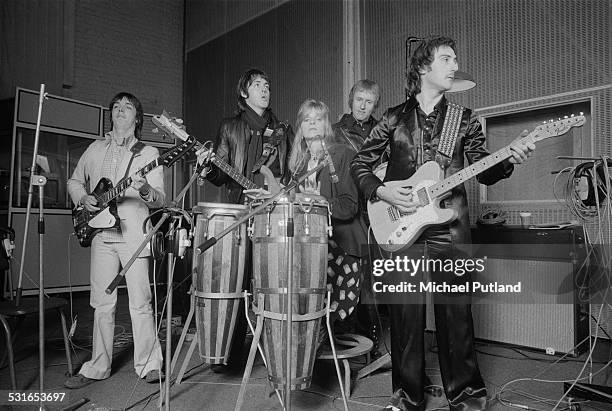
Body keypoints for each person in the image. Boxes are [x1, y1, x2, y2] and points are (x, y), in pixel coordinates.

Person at [350, 36, 535, 411]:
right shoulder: (392, 117)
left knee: (456, 314)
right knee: (405, 315)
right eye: (446, 59)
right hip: (401, 225)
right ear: (423, 67)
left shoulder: (462, 119)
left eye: (455, 60)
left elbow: (485, 169)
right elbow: (359, 165)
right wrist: (383, 193)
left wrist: (510, 158)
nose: (454, 66)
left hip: (450, 225)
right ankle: (406, 397)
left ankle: (466, 395)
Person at [65, 92, 165, 388]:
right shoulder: (95, 149)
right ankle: (98, 365)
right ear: (111, 115)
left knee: (141, 302)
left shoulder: (148, 154)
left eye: (128, 107)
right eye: (116, 107)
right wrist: (83, 198)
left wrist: (144, 188)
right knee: (101, 303)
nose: (121, 110)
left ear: (137, 118)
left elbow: (160, 199)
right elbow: (73, 181)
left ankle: (149, 364)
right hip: (100, 234)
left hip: (133, 235)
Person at [196, 68, 293, 370]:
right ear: (243, 93)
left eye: (267, 84)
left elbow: (287, 173)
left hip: (271, 213)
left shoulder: (281, 130)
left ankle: (272, 349)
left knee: (270, 279)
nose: (265, 89)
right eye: (257, 85)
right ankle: (230, 352)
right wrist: (205, 167)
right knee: (234, 280)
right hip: (238, 212)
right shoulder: (230, 127)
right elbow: (220, 173)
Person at [288, 99, 368, 328]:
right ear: (301, 128)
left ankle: (330, 361)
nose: (312, 123)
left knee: (333, 322)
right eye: (307, 120)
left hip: (343, 246)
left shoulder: (341, 153)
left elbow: (349, 205)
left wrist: (320, 201)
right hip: (313, 245)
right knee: (308, 312)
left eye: (318, 119)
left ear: (326, 126)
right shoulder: (299, 164)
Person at [332, 79, 381, 152]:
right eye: (359, 100)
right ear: (352, 101)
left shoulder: (382, 130)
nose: (362, 106)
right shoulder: (334, 131)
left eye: (368, 102)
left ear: (375, 105)